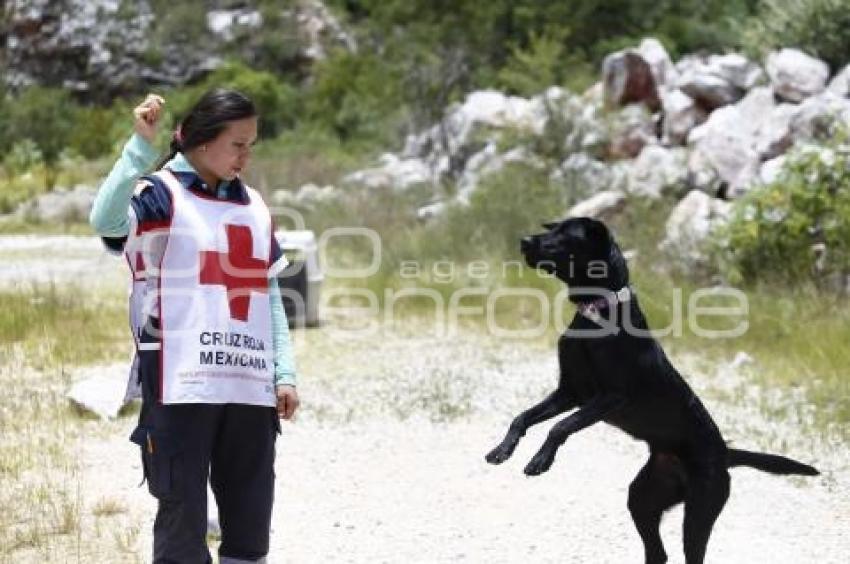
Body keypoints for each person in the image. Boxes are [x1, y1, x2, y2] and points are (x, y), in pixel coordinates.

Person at [90, 89, 299, 564]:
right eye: (238, 145)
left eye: (252, 145)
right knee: (182, 521)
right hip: (181, 383)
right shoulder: (161, 196)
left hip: (247, 386)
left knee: (249, 521)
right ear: (202, 142)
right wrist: (138, 149)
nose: (247, 156)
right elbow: (104, 219)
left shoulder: (254, 205)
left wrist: (283, 373)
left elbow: (267, 294)